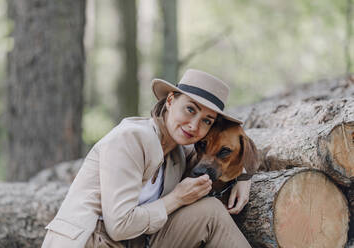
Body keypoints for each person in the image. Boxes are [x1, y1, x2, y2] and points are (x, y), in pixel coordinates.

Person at [42, 69, 253, 248]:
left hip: (136, 242)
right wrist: (177, 198)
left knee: (211, 212)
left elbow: (220, 155)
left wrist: (244, 177)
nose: (194, 126)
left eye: (206, 121)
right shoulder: (130, 138)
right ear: (170, 101)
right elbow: (119, 227)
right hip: (91, 240)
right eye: (190, 109)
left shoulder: (179, 152)